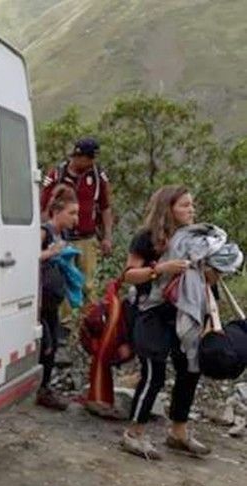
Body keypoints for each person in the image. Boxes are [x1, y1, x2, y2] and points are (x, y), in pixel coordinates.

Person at [120, 185, 210, 460]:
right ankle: (134, 433)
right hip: (151, 311)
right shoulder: (147, 238)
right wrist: (160, 269)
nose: (191, 210)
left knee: (190, 369)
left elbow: (207, 279)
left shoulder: (196, 239)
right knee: (153, 372)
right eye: (185, 205)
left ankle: (178, 432)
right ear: (168, 209)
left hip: (185, 312)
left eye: (192, 204)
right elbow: (129, 274)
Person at [41, 138, 114, 302]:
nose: (92, 162)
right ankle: (65, 318)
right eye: (89, 158)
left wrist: (107, 237)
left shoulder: (97, 176)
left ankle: (88, 315)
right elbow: (44, 207)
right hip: (62, 239)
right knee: (63, 283)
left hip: (87, 239)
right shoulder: (56, 175)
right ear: (79, 157)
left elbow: (105, 207)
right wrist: (48, 234)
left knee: (88, 285)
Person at [37, 184, 80, 410]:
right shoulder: (45, 231)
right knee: (46, 343)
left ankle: (45, 387)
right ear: (57, 211)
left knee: (53, 344)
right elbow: (29, 256)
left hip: (53, 299)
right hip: (41, 300)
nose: (75, 219)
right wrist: (51, 253)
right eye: (71, 213)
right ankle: (39, 387)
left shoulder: (63, 234)